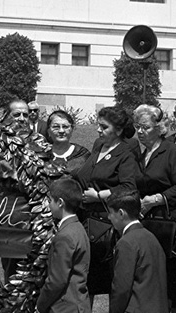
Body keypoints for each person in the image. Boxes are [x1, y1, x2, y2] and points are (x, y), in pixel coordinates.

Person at [133, 104, 176, 313]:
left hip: (168, 223)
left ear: (159, 128)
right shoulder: (138, 153)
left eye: (145, 127)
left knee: (169, 281)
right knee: (148, 279)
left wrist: (157, 199)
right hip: (144, 223)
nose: (140, 132)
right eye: (137, 127)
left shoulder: (172, 152)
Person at [72, 106, 137, 299]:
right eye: (98, 126)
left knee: (110, 275)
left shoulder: (126, 152)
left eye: (104, 127)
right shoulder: (98, 145)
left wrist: (99, 195)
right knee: (85, 275)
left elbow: (129, 187)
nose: (99, 130)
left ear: (118, 130)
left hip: (107, 223)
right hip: (86, 218)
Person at [0, 99, 46, 282]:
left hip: (35, 207)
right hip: (10, 206)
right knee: (11, 261)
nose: (23, 118)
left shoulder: (40, 142)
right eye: (17, 114)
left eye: (25, 114)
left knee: (37, 260)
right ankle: (11, 301)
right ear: (7, 117)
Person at [32, 179, 92, 313]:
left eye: (49, 200)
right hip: (77, 309)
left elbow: (56, 281)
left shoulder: (65, 235)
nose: (47, 205)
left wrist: (41, 308)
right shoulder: (78, 228)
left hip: (65, 312)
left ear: (60, 202)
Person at [46, 110, 90, 175]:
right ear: (48, 131)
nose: (61, 131)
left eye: (65, 127)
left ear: (72, 130)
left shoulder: (83, 155)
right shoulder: (43, 155)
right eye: (56, 127)